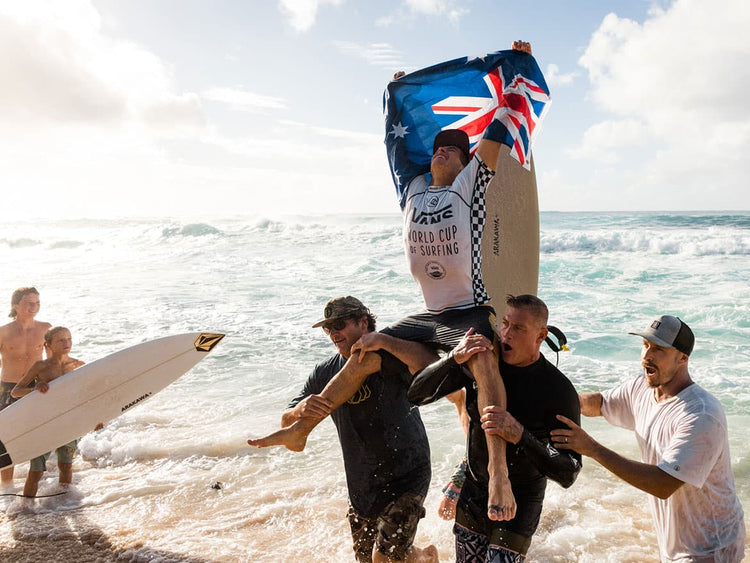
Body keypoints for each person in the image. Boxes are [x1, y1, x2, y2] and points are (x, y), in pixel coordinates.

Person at [249, 41, 537, 522]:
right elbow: (396, 144)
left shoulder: (473, 185)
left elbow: (500, 128)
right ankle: (302, 430)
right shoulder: (414, 190)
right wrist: (400, 97)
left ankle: (499, 473)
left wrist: (516, 72)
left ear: (467, 161)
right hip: (429, 314)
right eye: (442, 145)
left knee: (482, 359)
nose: (448, 148)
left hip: (467, 307)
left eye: (458, 148)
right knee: (367, 351)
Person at [253, 297, 439, 563]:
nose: (333, 334)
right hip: (363, 484)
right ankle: (426, 557)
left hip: (407, 473)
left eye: (339, 325)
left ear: (364, 323)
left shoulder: (388, 355)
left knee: (384, 558)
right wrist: (299, 409)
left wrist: (385, 341)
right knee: (374, 558)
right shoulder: (324, 372)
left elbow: (430, 364)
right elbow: (288, 425)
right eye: (327, 329)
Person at [552, 315, 746, 562]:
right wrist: (559, 400)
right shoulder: (642, 389)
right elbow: (600, 403)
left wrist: (592, 448)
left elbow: (662, 484)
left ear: (683, 358)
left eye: (658, 349)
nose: (646, 356)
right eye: (645, 345)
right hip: (678, 545)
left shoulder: (701, 414)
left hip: (711, 548)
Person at [408, 295, 582, 562]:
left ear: (540, 335)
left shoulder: (557, 391)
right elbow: (416, 395)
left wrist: (521, 435)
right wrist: (453, 358)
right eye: (504, 324)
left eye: (518, 329)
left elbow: (568, 471)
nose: (506, 334)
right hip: (475, 491)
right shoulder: (481, 365)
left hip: (521, 498)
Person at [11, 326, 85, 498]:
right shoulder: (40, 366)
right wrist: (35, 389)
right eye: (61, 340)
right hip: (43, 422)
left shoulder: (78, 365)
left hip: (67, 421)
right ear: (49, 344)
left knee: (66, 466)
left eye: (69, 339)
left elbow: (87, 396)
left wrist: (96, 419)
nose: (67, 343)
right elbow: (16, 391)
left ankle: (65, 503)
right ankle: (27, 508)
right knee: (36, 471)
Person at [0, 287, 52, 484]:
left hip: (37, 386)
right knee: (6, 436)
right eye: (29, 303)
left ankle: (41, 479)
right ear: (15, 305)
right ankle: (6, 485)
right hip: (7, 388)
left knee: (40, 430)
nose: (34, 307)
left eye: (37, 303)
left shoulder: (45, 328)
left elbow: (53, 360)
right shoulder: (3, 332)